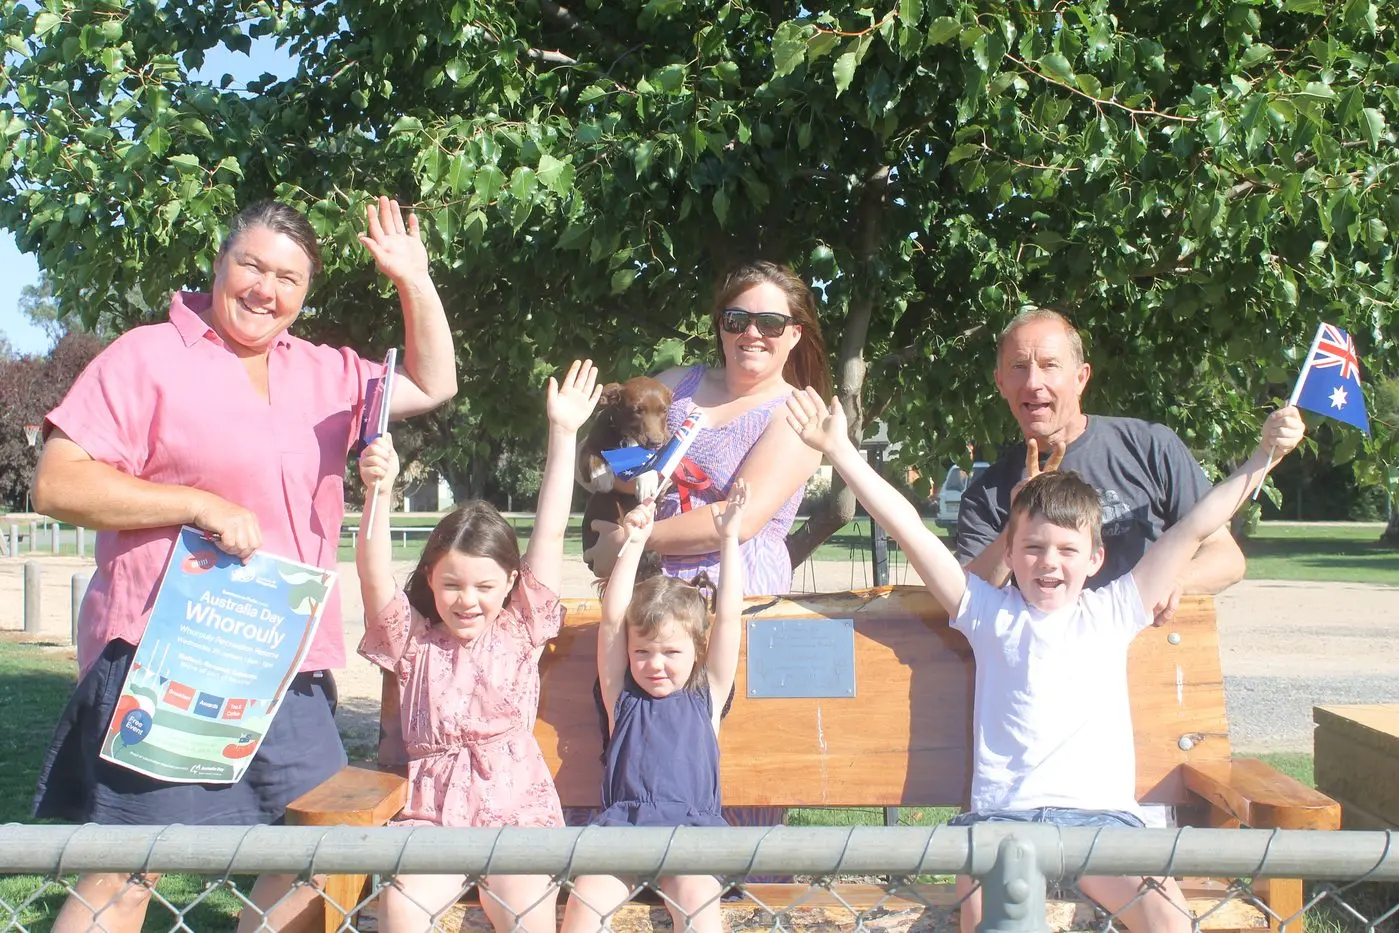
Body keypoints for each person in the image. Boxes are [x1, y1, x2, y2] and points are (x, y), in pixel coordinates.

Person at [30, 197, 457, 933]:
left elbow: (433, 382)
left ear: (304, 293)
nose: (265, 288)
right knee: (133, 866)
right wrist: (194, 503)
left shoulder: (325, 372)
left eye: (288, 277)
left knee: (327, 846)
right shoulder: (147, 355)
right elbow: (58, 482)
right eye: (251, 265)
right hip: (167, 655)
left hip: (285, 658)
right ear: (220, 264)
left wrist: (414, 280)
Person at [785, 385, 1304, 933]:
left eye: (1066, 550)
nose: (1048, 563)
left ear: (1095, 558)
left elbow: (1194, 525)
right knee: (996, 923)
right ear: (1008, 553)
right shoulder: (985, 611)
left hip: (1105, 826)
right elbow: (909, 530)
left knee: (1171, 921)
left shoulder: (1116, 609)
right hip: (1002, 823)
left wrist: (1262, 457)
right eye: (1032, 548)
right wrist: (840, 451)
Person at [356, 360, 600, 933]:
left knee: (528, 913)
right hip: (431, 817)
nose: (468, 600)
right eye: (452, 585)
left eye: (485, 586)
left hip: (516, 812)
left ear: (511, 585)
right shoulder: (413, 643)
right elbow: (371, 574)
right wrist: (379, 492)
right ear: (432, 583)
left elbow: (549, 531)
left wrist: (563, 435)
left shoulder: (520, 630)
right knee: (403, 910)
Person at [957, 308, 1246, 625]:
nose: (1033, 382)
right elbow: (968, 597)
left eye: (1049, 365)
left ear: (1080, 378)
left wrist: (1173, 583)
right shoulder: (987, 493)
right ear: (1000, 382)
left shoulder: (1149, 446)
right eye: (1019, 367)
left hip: (1152, 659)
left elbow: (1227, 558)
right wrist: (1017, 522)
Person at [560, 481, 748, 933]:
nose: (655, 665)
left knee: (698, 906)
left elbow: (730, 618)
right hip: (625, 830)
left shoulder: (707, 696)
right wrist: (635, 543)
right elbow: (612, 618)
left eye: (671, 653)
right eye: (642, 652)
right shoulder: (621, 698)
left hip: (692, 835)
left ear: (697, 652)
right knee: (584, 902)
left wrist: (727, 540)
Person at [583, 260, 832, 595]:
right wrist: (602, 472)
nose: (752, 333)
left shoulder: (798, 415)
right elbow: (601, 450)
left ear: (794, 334)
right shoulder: (675, 384)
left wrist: (633, 539)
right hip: (646, 589)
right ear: (721, 326)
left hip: (733, 591)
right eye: (737, 320)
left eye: (771, 323)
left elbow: (738, 518)